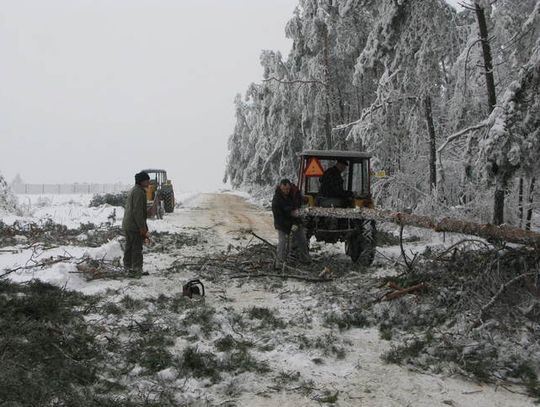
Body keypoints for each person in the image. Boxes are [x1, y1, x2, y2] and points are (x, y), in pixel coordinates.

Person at [271, 179, 310, 268]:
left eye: (288, 189)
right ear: (280, 188)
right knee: (283, 242)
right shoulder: (276, 200)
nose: (286, 191)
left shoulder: (294, 194)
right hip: (282, 223)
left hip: (294, 221)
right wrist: (289, 223)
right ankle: (279, 264)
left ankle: (305, 259)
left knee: (302, 239)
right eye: (284, 189)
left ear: (290, 187)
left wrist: (296, 222)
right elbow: (279, 217)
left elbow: (297, 209)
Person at [122, 171, 150, 276]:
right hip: (134, 226)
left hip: (128, 224)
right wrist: (142, 228)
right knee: (137, 248)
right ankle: (137, 270)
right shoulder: (139, 192)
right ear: (141, 181)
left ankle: (127, 268)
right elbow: (137, 211)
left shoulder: (134, 190)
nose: (149, 182)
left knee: (129, 247)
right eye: (147, 180)